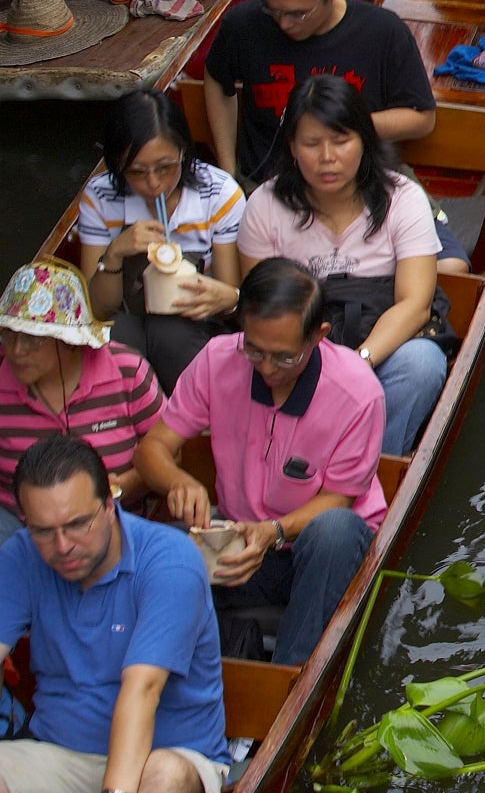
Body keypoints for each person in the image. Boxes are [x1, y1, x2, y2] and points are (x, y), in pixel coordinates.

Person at [135, 260, 385, 667]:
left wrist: (273, 531)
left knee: (336, 532)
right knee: (148, 553)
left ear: (318, 337)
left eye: (284, 357)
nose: (267, 368)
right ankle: (188, 671)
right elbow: (151, 450)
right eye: (254, 351)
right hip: (239, 540)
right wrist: (179, 482)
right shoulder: (219, 359)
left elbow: (338, 499)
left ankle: (289, 679)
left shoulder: (358, 393)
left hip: (319, 550)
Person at [0, 436, 228, 793]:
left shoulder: (169, 560)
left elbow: (143, 690)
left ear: (109, 503)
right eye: (43, 531)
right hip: (59, 754)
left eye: (77, 524)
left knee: (163, 775)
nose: (63, 546)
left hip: (167, 755)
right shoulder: (21, 556)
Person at [235, 77, 448, 455]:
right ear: (292, 147)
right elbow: (261, 307)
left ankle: (373, 468)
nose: (327, 158)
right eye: (312, 144)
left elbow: (414, 305)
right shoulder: (264, 206)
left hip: (378, 346)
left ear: (365, 141)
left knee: (423, 364)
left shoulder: (403, 198)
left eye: (341, 141)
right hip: (297, 349)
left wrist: (357, 363)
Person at [204, 0, 437, 185]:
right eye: (273, 10)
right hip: (266, 186)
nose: (284, 24)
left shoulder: (382, 30)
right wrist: (227, 174)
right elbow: (216, 78)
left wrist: (338, 127)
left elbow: (422, 118)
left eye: (298, 13)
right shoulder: (244, 24)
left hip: (353, 186)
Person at [78, 90, 246, 391]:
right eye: (137, 172)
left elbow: (227, 294)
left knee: (170, 333)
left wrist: (228, 297)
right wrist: (115, 253)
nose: (154, 183)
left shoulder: (219, 193)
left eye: (166, 167)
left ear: (183, 151)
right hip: (126, 317)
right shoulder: (100, 196)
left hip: (193, 324)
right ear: (117, 165)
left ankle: (190, 422)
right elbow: (97, 311)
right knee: (118, 336)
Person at [0, 261, 163, 542]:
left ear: (71, 341)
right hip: (19, 533)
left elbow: (169, 452)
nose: (16, 351)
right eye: (9, 335)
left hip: (116, 524)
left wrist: (122, 486)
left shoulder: (127, 371)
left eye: (33, 339)